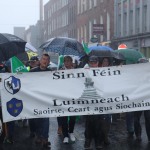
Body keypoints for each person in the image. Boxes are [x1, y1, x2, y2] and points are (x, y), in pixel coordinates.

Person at [30, 53, 51, 148]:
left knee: (46, 118)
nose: (45, 61)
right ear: (40, 61)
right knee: (36, 119)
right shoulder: (32, 72)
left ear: (49, 62)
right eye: (43, 59)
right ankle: (38, 135)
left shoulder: (51, 72)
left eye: (47, 59)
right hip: (35, 99)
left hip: (46, 100)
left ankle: (45, 138)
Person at [84, 55, 103, 150]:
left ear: (97, 63)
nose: (93, 64)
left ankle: (98, 142)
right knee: (89, 122)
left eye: (94, 62)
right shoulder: (85, 71)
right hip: (88, 101)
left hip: (99, 101)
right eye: (91, 62)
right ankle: (87, 140)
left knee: (98, 123)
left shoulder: (103, 72)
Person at [59, 55, 76, 144]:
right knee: (64, 118)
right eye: (65, 61)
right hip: (63, 97)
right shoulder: (60, 71)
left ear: (71, 62)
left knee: (73, 117)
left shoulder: (76, 71)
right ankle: (65, 135)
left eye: (69, 61)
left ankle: (71, 132)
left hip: (73, 97)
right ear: (64, 62)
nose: (67, 63)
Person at [134, 58, 150, 142]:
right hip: (137, 100)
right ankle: (138, 135)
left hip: (147, 100)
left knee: (148, 118)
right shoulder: (134, 76)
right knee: (136, 119)